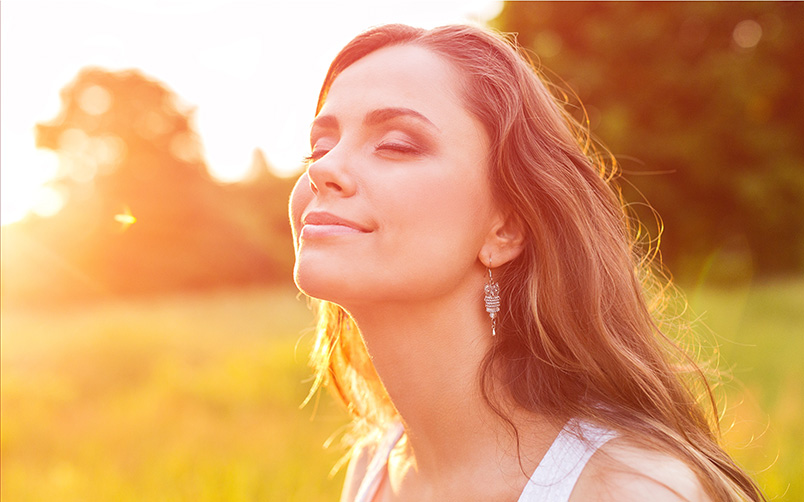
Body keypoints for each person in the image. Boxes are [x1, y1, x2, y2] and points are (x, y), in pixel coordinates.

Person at [288, 23, 764, 502]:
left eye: (396, 144)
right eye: (320, 147)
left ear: (506, 228)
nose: (322, 168)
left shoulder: (631, 491)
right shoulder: (375, 468)